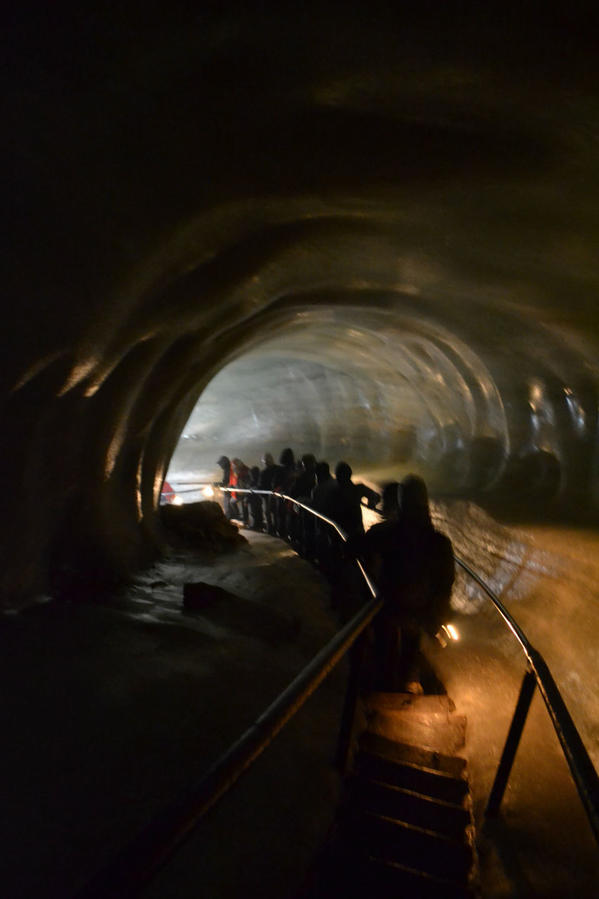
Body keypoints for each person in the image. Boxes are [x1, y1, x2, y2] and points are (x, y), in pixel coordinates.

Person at [356, 475, 455, 693]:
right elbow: (446, 581)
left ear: (401, 501)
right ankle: (410, 681)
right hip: (421, 609)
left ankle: (385, 684)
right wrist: (438, 612)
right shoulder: (440, 543)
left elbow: (362, 545)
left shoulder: (389, 533)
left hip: (390, 604)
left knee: (386, 642)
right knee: (412, 642)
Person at [324, 461, 380, 539]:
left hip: (345, 530)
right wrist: (372, 502)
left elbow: (376, 497)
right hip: (349, 529)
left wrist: (372, 502)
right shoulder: (358, 489)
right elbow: (376, 496)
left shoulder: (334, 492)